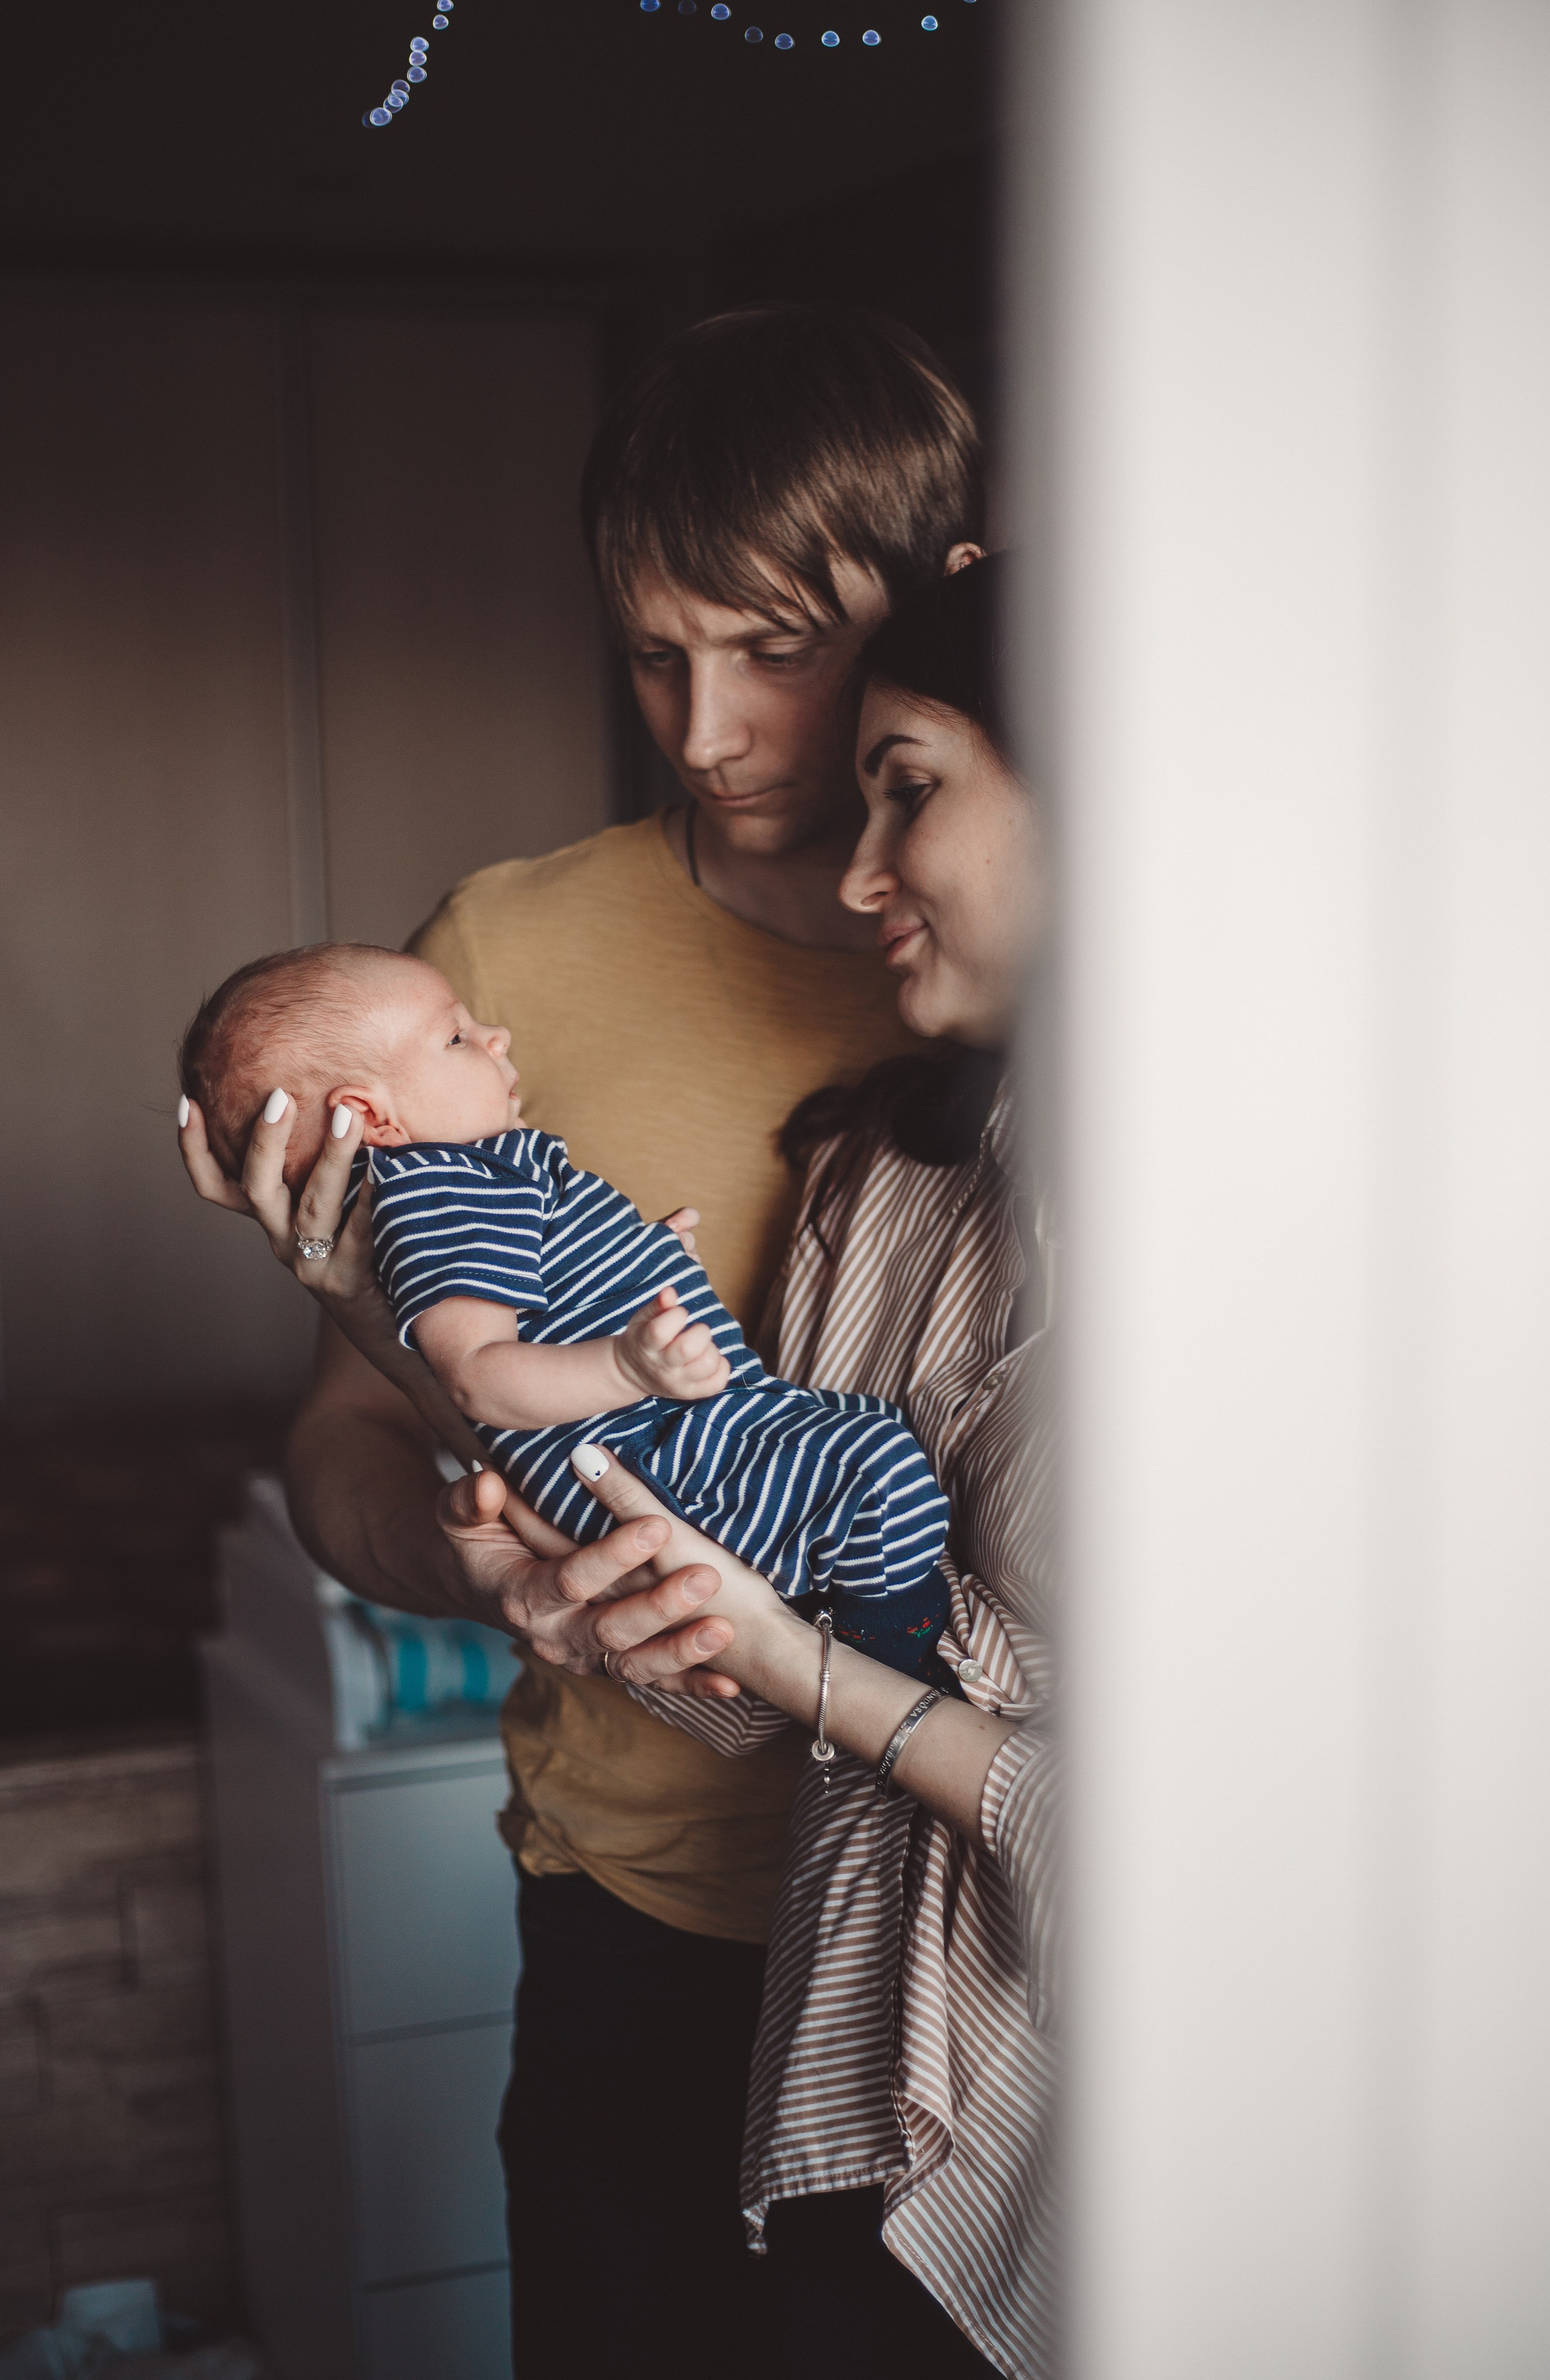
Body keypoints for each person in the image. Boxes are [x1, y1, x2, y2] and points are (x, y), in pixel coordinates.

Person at [179, 303, 985, 2378]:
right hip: (639, 1907)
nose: (708, 729)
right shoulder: (492, 963)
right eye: (654, 651)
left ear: (943, 596)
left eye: (776, 642)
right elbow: (350, 1434)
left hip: (964, 1947)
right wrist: (455, 1560)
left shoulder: (1009, 963)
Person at [553, 556, 1058, 2378]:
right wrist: (620, 1580)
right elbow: (773, 1670)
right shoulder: (879, 1179)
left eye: (906, 784)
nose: (853, 879)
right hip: (844, 2074)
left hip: (1127, 2130)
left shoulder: (1341, 1249)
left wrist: (798, 1662)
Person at [178, 942, 950, 1666]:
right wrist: (627, 1361)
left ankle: (872, 1653)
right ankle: (892, 1669)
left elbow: (554, 1289)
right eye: (456, 1037)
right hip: (650, 1456)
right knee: (873, 1471)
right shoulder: (442, 1192)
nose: (497, 1035)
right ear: (373, 1116)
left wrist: (645, 1263)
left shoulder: (473, 1176)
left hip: (670, 1432)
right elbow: (478, 1376)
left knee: (865, 1453)